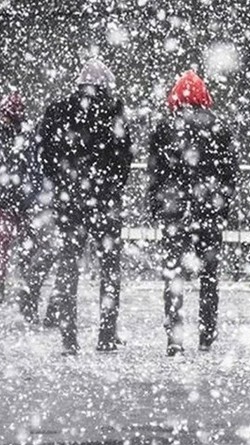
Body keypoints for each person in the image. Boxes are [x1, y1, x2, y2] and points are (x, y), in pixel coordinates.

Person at [38, 59, 133, 354]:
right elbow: (124, 158)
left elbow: (45, 155)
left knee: (68, 265)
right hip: (104, 202)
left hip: (69, 201)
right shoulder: (114, 112)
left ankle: (69, 338)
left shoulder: (57, 111)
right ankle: (106, 334)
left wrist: (63, 185)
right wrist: (110, 187)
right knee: (109, 268)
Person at [148, 70, 237, 356]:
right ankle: (207, 334)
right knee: (209, 276)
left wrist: (157, 204)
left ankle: (174, 337)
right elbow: (229, 173)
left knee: (173, 275)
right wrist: (222, 204)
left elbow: (156, 173)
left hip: (175, 212)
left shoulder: (164, 128)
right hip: (208, 210)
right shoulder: (219, 127)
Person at [0, 91, 45, 317]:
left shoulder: (15, 136)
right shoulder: (23, 134)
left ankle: (10, 282)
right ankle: (12, 282)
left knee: (6, 243)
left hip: (15, 198)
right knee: (9, 243)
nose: (2, 119)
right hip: (14, 198)